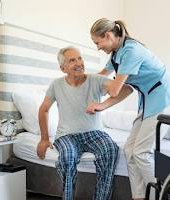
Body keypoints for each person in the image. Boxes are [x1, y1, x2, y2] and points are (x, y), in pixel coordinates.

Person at [87, 18, 170, 200]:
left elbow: (116, 89)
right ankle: (139, 196)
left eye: (97, 42)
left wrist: (101, 104)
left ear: (107, 36)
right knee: (130, 150)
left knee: (141, 152)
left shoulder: (131, 51)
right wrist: (82, 82)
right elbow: (103, 77)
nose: (98, 47)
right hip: (149, 102)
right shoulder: (116, 54)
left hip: (164, 99)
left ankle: (165, 195)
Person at [37, 46, 132, 200]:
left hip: (94, 134)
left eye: (80, 58)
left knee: (110, 150)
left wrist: (103, 105)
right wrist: (44, 139)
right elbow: (44, 109)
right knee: (68, 156)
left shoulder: (96, 80)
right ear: (63, 68)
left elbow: (126, 89)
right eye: (72, 60)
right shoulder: (56, 85)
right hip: (67, 136)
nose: (79, 63)